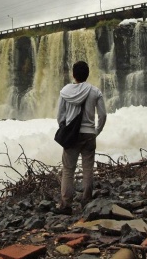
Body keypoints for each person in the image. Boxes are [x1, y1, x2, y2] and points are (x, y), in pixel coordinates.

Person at [53, 60, 107, 215]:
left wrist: (65, 129)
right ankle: (86, 201)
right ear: (88, 74)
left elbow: (60, 116)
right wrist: (97, 131)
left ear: (73, 74)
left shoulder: (65, 92)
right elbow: (102, 115)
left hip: (72, 135)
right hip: (89, 133)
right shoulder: (95, 91)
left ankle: (66, 204)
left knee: (68, 170)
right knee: (88, 168)